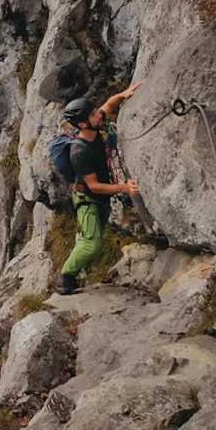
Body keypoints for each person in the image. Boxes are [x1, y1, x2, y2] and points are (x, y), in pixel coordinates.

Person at [54, 82, 143, 295]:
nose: (99, 115)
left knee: (93, 238)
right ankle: (65, 279)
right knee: (92, 244)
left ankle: (78, 270)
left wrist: (124, 94)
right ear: (83, 124)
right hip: (88, 201)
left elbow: (108, 105)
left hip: (99, 201)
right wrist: (124, 188)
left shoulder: (92, 125)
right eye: (93, 115)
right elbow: (94, 186)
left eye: (95, 112)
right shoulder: (79, 152)